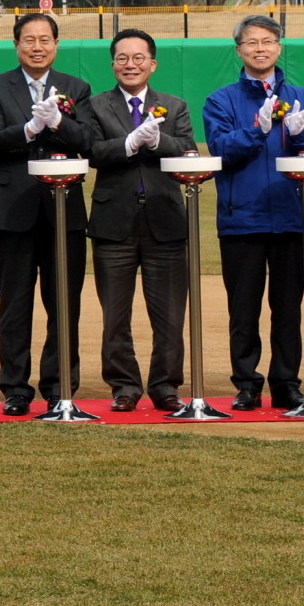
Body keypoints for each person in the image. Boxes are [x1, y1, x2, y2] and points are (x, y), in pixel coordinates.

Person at [203, 13, 304, 410]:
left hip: (292, 217)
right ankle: (246, 384)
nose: (260, 49)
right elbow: (221, 150)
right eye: (251, 42)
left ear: (278, 47)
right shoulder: (221, 100)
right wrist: (256, 130)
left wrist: (301, 133)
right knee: (243, 310)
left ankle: (286, 383)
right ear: (239, 50)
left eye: (267, 41)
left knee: (288, 310)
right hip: (241, 219)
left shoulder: (301, 97)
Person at [0, 12, 95, 415]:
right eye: (29, 39)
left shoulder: (76, 88)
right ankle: (15, 388)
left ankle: (60, 386)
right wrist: (30, 128)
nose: (37, 47)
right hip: (12, 208)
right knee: (14, 304)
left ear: (56, 44)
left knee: (64, 303)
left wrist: (58, 122)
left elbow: (87, 140)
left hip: (64, 209)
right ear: (16, 45)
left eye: (45, 39)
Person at [87, 28, 195, 412]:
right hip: (112, 222)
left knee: (169, 315)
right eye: (122, 58)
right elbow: (92, 151)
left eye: (138, 58)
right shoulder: (96, 105)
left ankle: (165, 386)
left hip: (165, 221)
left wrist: (157, 141)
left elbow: (188, 151)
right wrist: (130, 143)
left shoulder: (174, 106)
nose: (130, 65)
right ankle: (124, 386)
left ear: (153, 64)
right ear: (113, 63)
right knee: (115, 315)